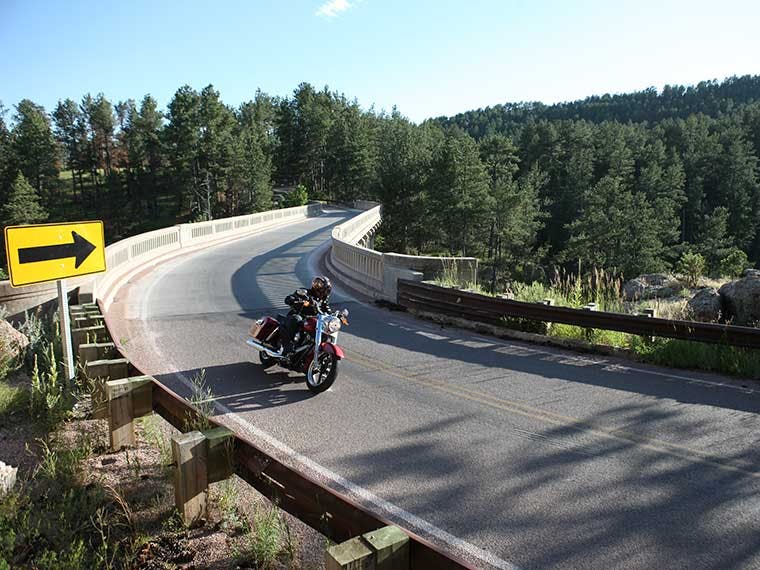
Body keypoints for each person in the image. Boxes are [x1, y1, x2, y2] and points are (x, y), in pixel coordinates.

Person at [280, 276, 332, 358]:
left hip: (313, 320)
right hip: (299, 315)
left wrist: (335, 316)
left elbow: (327, 310)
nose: (324, 293)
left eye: (326, 290)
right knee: (296, 319)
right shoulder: (305, 293)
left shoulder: (322, 301)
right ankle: (287, 345)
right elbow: (290, 298)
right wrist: (294, 299)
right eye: (323, 290)